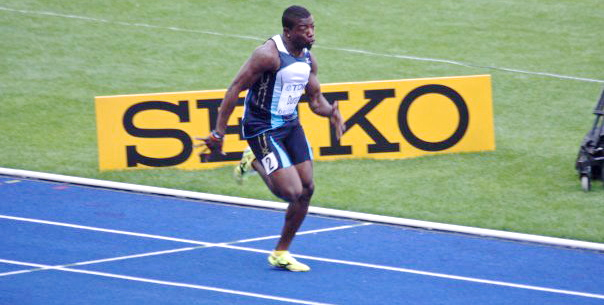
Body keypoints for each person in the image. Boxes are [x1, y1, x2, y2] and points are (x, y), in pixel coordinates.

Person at [197, 5, 345, 272]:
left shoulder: (308, 59)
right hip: (261, 127)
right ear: (287, 32)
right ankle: (253, 159)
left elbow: (315, 100)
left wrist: (331, 113)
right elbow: (234, 89)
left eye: (312, 26)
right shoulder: (267, 55)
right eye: (304, 29)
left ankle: (281, 252)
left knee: (307, 189)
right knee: (291, 191)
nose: (311, 33)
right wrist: (219, 132)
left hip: (290, 124)